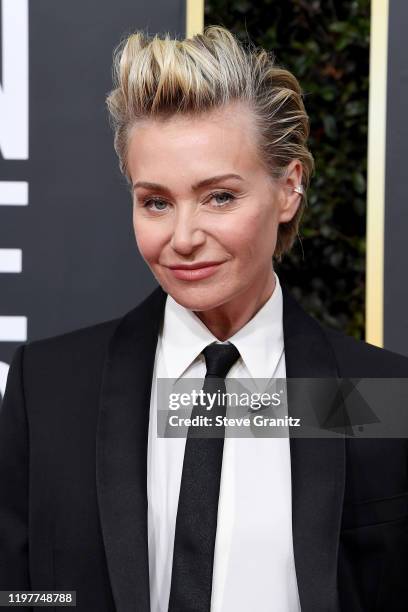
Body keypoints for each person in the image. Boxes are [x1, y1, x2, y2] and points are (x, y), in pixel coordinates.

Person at [1, 24, 408, 612]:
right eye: (156, 202)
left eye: (220, 196)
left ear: (289, 187)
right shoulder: (52, 388)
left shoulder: (378, 397)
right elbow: (23, 593)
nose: (184, 238)